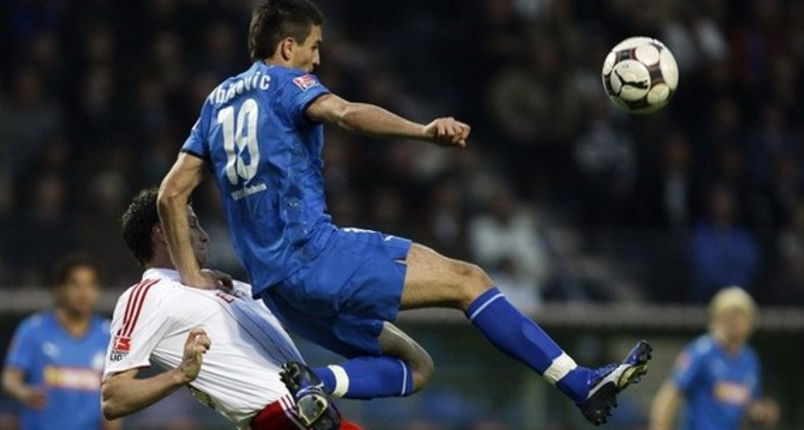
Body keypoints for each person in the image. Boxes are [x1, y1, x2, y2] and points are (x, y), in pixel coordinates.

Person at [156, 0, 651, 425]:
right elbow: (346, 113)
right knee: (468, 280)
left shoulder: (214, 105)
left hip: (280, 290)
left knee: (415, 367)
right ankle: (579, 383)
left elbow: (171, 194)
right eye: (313, 47)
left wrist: (191, 276)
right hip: (318, 256)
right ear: (287, 48)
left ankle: (313, 383)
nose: (319, 59)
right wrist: (422, 131)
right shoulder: (287, 84)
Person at [101, 187, 362, 430]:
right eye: (192, 224)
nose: (204, 235)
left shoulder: (226, 284)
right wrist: (179, 374)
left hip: (313, 410)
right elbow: (114, 398)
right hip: (280, 417)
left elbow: (299, 317)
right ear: (162, 232)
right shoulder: (147, 295)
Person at [1, 256, 120, 430]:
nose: (83, 292)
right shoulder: (33, 330)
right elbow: (9, 379)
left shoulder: (109, 335)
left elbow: (115, 397)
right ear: (60, 288)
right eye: (75, 284)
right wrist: (24, 393)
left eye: (90, 285)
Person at [649, 287, 780, 430]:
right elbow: (669, 394)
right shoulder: (701, 352)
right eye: (727, 315)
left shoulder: (750, 358)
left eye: (739, 316)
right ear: (716, 318)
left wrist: (762, 413)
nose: (733, 322)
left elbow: (749, 404)